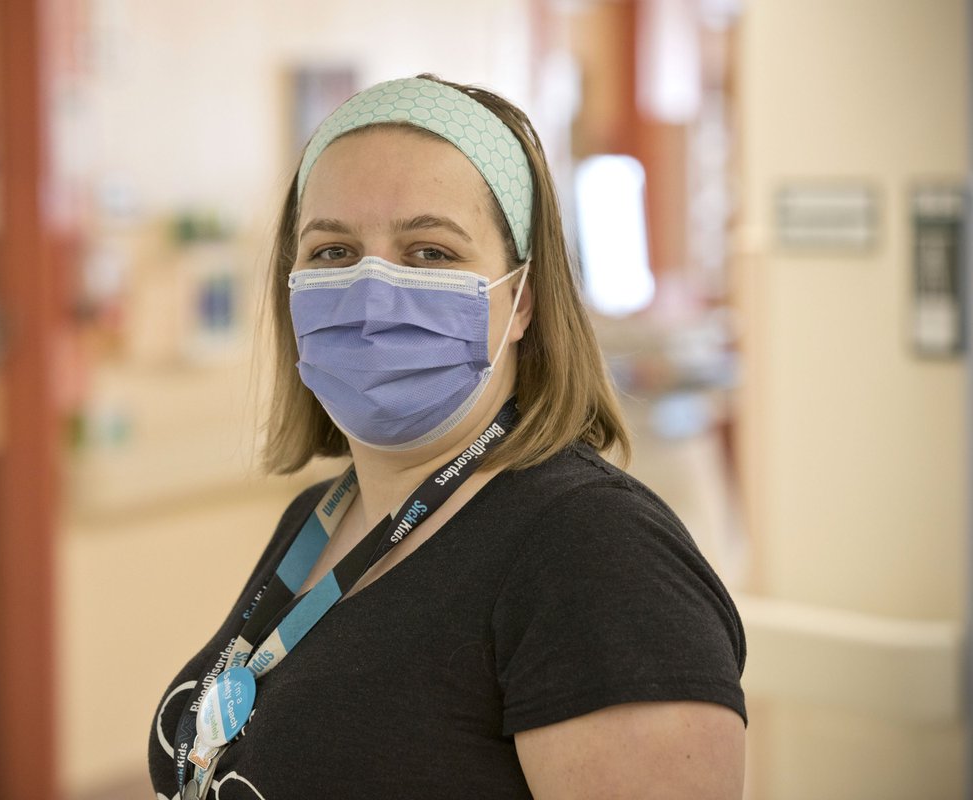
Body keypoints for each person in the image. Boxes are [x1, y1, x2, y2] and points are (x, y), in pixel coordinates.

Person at [149, 75, 746, 800]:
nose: (372, 293)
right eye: (333, 251)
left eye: (430, 251)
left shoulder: (596, 554)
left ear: (521, 300)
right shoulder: (320, 517)